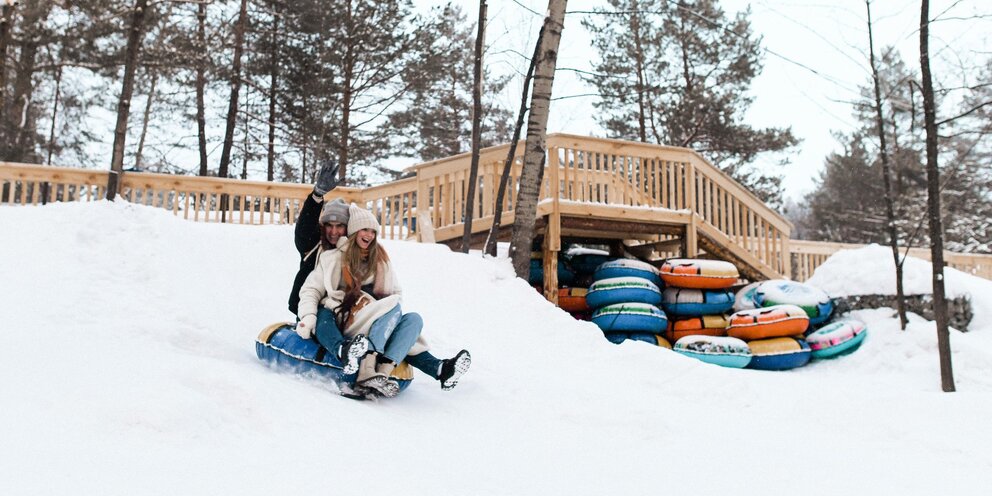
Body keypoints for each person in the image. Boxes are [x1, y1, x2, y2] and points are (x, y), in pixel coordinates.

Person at [296, 204, 472, 397]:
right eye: (364, 229)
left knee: (413, 319)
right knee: (392, 307)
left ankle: (427, 370)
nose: (369, 235)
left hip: (378, 320)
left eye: (373, 231)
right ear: (354, 231)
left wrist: (384, 315)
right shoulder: (334, 257)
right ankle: (365, 370)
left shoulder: (381, 260)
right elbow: (311, 289)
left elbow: (396, 292)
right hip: (348, 317)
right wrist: (308, 316)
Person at [287, 161, 370, 376]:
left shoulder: (352, 252)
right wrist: (317, 195)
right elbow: (304, 226)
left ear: (347, 228)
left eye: (339, 225)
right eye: (329, 225)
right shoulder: (312, 244)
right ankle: (342, 352)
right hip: (311, 310)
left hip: (343, 312)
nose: (333, 231)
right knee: (323, 316)